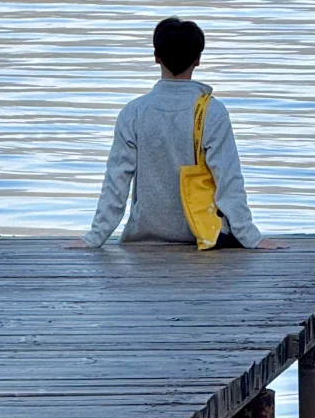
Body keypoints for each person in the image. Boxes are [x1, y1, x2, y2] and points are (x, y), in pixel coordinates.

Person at [81, 18, 263, 249]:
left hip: (144, 238)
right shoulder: (212, 112)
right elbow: (228, 180)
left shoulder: (133, 113)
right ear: (198, 60)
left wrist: (94, 238)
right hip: (203, 238)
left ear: (156, 56)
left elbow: (116, 182)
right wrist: (251, 238)